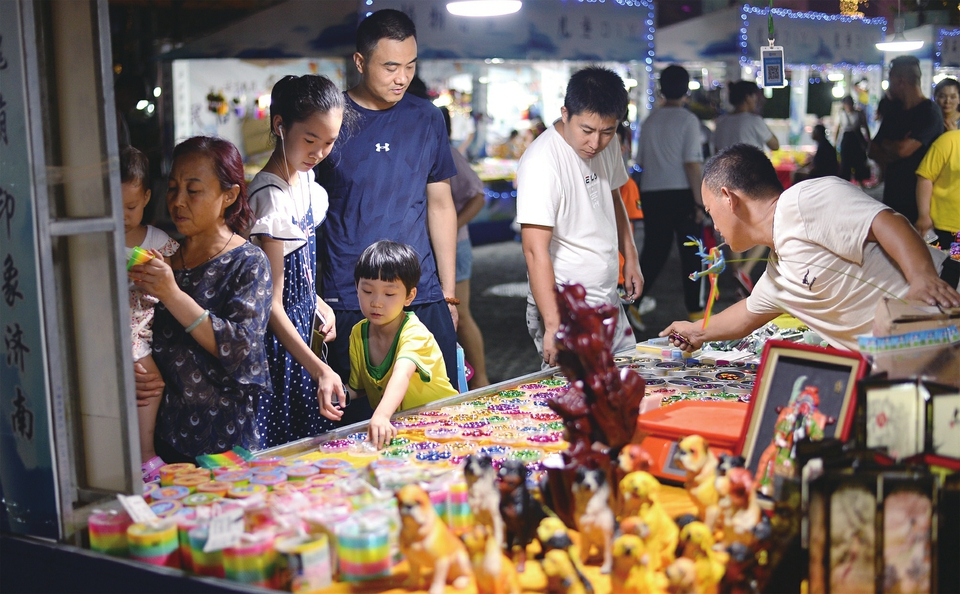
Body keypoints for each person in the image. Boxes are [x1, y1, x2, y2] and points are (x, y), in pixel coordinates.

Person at [660, 144, 960, 354]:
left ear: (729, 198)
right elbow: (745, 316)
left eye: (711, 211)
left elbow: (886, 222)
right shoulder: (778, 270)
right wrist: (695, 330)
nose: (714, 226)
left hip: (944, 305)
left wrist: (921, 276)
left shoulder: (805, 200)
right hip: (915, 347)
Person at [315, 9, 460, 424]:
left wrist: (448, 293)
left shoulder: (427, 118)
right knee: (354, 423)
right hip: (349, 297)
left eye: (410, 66)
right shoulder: (332, 119)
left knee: (437, 416)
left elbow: (440, 204)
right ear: (360, 63)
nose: (402, 78)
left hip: (421, 294)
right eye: (391, 66)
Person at [131, 136, 272, 461]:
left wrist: (171, 293)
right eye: (173, 188)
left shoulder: (248, 262)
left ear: (229, 195)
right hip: (163, 444)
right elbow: (137, 331)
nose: (178, 201)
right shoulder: (165, 258)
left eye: (193, 190)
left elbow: (241, 347)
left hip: (224, 440)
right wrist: (134, 375)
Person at [248, 75, 350, 447]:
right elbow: (271, 305)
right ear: (280, 126)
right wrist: (320, 368)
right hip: (280, 350)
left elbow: (298, 274)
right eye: (310, 140)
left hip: (302, 343)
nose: (319, 152)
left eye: (329, 142)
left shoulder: (304, 181)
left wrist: (318, 303)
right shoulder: (270, 198)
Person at [516, 66, 642, 368]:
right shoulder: (541, 163)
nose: (595, 143)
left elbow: (613, 199)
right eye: (586, 130)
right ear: (565, 113)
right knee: (579, 403)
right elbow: (535, 251)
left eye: (607, 131)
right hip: (566, 308)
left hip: (608, 298)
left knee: (628, 387)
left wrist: (631, 257)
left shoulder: (606, 145)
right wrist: (552, 325)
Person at [346, 241, 457, 448]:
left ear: (409, 296)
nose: (376, 302)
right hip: (402, 430)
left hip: (442, 425)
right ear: (356, 288)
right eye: (368, 291)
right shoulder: (357, 334)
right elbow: (358, 388)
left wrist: (381, 415)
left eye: (389, 294)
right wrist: (334, 394)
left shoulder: (415, 333)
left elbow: (402, 374)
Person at [121, 146, 179, 480]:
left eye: (130, 206)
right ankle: (145, 455)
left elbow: (172, 276)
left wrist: (155, 270)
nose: (124, 215)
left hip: (147, 328)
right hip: (124, 331)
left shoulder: (156, 238)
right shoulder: (100, 238)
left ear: (145, 197)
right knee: (152, 382)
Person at [634, 64, 704, 325]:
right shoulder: (688, 120)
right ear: (686, 89)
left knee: (653, 252)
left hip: (652, 193)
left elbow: (640, 161)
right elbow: (691, 164)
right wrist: (699, 202)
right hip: (682, 193)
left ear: (661, 89)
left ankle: (632, 301)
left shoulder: (649, 120)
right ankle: (696, 311)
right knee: (692, 253)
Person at [713, 79, 779, 296]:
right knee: (770, 226)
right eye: (755, 96)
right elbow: (775, 144)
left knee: (733, 229)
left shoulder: (722, 122)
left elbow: (715, 149)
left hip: (724, 182)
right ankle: (745, 271)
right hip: (752, 182)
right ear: (748, 97)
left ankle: (736, 275)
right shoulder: (753, 120)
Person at [442, 106, 490, 389]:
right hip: (441, 248)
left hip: (456, 247)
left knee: (462, 313)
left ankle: (481, 378)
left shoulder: (447, 154)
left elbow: (478, 196)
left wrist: (451, 228)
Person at [869, 55, 943, 224]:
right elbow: (872, 149)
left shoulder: (929, 112)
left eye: (890, 78)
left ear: (900, 80)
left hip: (920, 203)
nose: (888, 84)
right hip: (893, 198)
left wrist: (888, 146)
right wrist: (893, 149)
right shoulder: (894, 111)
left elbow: (902, 150)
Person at [915, 130, 960, 248]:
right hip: (945, 227)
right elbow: (925, 177)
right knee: (951, 265)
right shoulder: (949, 140)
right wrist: (923, 215)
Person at [834, 96, 871, 184]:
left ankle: (860, 181)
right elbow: (838, 129)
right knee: (845, 163)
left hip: (857, 138)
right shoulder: (841, 114)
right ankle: (846, 183)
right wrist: (835, 142)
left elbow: (865, 127)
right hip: (847, 138)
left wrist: (869, 141)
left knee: (858, 162)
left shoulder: (859, 113)